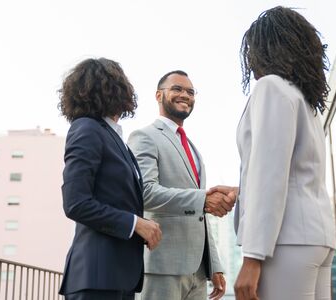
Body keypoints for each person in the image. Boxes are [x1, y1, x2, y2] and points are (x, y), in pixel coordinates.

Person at [233, 6, 336, 300]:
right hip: (315, 238)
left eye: (253, 49)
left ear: (267, 48)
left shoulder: (271, 88)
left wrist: (252, 257)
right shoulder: (304, 99)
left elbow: (270, 175)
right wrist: (240, 191)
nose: (250, 60)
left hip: (284, 241)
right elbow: (293, 171)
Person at [58, 58, 162, 300]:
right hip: (96, 280)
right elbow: (75, 202)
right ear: (115, 90)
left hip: (118, 278)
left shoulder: (114, 138)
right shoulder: (86, 129)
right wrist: (136, 224)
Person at [127, 70, 236, 300]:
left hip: (197, 272)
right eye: (177, 89)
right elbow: (145, 192)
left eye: (190, 91)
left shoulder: (194, 149)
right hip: (162, 267)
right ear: (159, 95)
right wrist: (203, 199)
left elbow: (200, 215)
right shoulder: (144, 136)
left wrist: (213, 264)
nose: (185, 95)